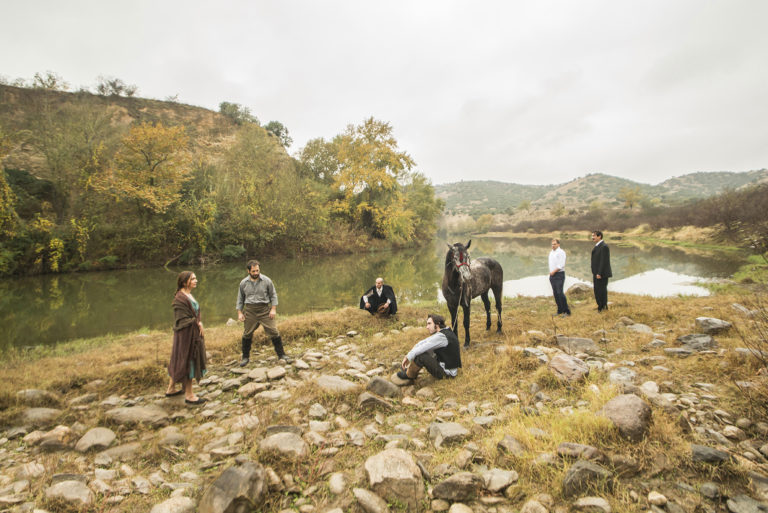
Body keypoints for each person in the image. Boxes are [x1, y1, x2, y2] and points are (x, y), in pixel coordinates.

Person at [167, 271, 207, 405]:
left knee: (178, 358)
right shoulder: (180, 298)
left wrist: (198, 322)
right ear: (185, 282)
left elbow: (194, 313)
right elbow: (182, 319)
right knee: (188, 359)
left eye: (196, 278)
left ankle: (171, 388)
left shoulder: (188, 295)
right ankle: (189, 395)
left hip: (191, 332)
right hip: (186, 335)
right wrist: (196, 323)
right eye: (193, 279)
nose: (196, 280)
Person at [237, 259, 285, 366]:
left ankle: (282, 355)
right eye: (253, 271)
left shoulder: (267, 281)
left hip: (264, 310)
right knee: (247, 333)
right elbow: (240, 299)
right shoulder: (243, 283)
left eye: (257, 271)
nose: (256, 273)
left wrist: (273, 309)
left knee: (274, 331)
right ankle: (245, 357)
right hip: (250, 311)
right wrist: (240, 313)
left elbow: (273, 295)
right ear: (248, 271)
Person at [396, 314, 461, 381]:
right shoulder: (445, 331)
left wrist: (407, 357)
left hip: (447, 374)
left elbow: (423, 347)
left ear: (437, 324)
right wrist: (409, 355)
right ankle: (409, 370)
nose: (427, 327)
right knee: (423, 350)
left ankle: (409, 375)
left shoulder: (442, 337)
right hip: (446, 366)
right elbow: (424, 342)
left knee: (421, 355)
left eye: (429, 324)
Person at [591, 230, 612, 312]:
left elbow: (604, 261)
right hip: (596, 273)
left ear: (599, 236)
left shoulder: (604, 246)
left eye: (594, 236)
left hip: (601, 274)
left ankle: (602, 307)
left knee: (601, 290)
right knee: (597, 290)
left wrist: (599, 273)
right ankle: (600, 306)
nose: (592, 238)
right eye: (592, 236)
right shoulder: (597, 246)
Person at [549, 238, 571, 317]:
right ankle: (560, 310)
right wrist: (551, 273)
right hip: (552, 275)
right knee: (555, 293)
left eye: (554, 244)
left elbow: (561, 265)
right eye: (552, 244)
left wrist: (553, 272)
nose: (553, 246)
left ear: (558, 244)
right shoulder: (551, 252)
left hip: (559, 274)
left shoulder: (561, 252)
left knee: (560, 292)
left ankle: (567, 311)